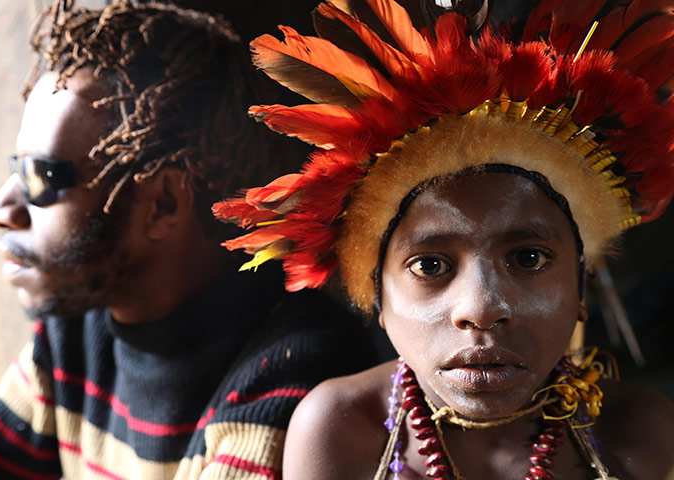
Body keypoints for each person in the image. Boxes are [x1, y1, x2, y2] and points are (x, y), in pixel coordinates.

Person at [213, 0, 674, 478]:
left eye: (529, 257)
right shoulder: (338, 432)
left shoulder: (639, 436)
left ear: (579, 284)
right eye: (430, 265)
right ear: (377, 293)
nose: (480, 307)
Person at [0, 1, 375, 478]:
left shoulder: (291, 368)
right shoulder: (73, 332)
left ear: (162, 205)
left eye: (42, 176)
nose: (0, 210)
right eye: (17, 168)